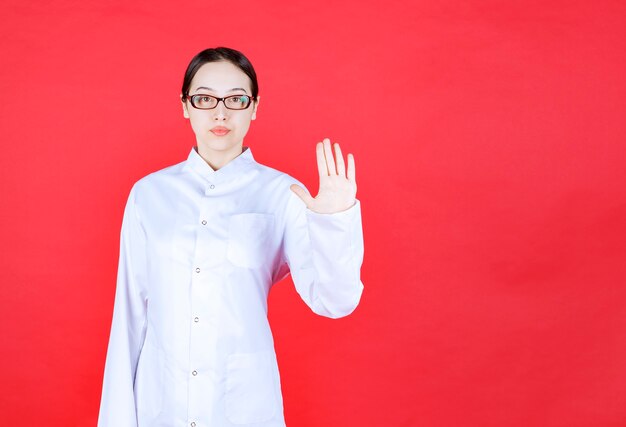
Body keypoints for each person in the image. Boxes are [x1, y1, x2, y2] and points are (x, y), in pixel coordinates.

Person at [97, 47, 364, 427]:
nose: (220, 113)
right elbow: (129, 315)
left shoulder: (282, 193)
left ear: (254, 107)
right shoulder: (149, 193)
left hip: (244, 404)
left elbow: (335, 301)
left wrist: (334, 220)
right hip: (160, 403)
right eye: (204, 99)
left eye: (236, 99)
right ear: (185, 106)